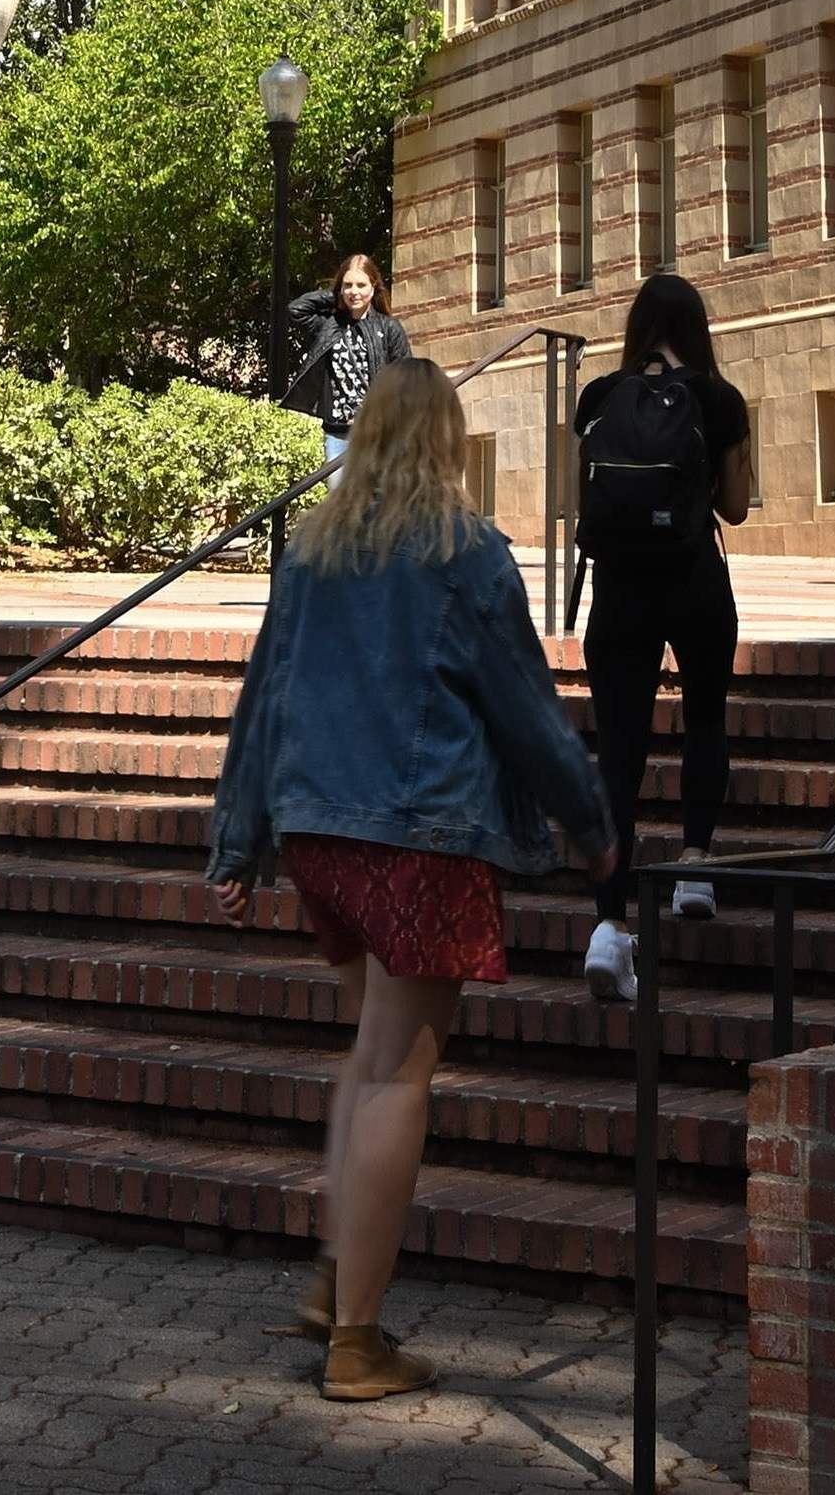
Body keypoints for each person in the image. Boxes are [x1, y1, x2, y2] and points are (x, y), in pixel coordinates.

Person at [206, 356, 607, 1404]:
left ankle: (343, 1270)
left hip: (318, 838)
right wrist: (595, 828)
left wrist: (238, 840)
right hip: (418, 834)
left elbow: (264, 699)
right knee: (394, 1076)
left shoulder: (311, 553)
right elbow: (525, 708)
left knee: (368, 1058)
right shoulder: (464, 553)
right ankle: (357, 1340)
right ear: (445, 439)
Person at [569, 273, 754, 1003]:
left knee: (618, 750)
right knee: (705, 716)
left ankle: (608, 928)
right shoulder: (720, 397)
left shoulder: (596, 397)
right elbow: (735, 508)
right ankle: (696, 866)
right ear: (698, 327)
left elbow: (576, 499)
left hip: (619, 589)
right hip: (694, 579)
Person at [282, 248, 412, 460]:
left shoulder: (388, 328)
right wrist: (334, 296)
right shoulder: (328, 325)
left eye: (361, 285)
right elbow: (296, 310)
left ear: (373, 288)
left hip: (379, 434)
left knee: (377, 493)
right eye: (348, 285)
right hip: (338, 434)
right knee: (342, 493)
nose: (354, 291)